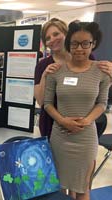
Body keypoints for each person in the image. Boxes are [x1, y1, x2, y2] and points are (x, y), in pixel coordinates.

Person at [44, 22, 110, 200]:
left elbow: (102, 103)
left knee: (82, 188)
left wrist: (88, 120)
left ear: (93, 44)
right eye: (74, 43)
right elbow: (47, 103)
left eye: (85, 43)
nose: (79, 48)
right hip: (60, 136)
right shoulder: (56, 71)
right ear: (68, 44)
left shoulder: (102, 71)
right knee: (58, 187)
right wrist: (63, 120)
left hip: (85, 137)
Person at [34, 18, 112, 139]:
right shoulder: (43, 65)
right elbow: (41, 101)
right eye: (47, 38)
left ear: (67, 34)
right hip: (52, 123)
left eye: (56, 34)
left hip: (83, 123)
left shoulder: (87, 57)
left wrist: (109, 76)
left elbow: (96, 90)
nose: (52, 39)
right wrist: (45, 75)